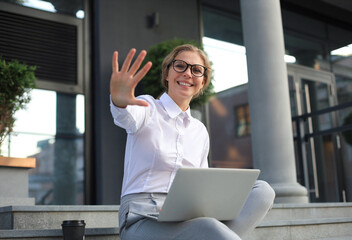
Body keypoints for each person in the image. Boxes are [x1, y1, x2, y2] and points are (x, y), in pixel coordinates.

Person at [109, 44, 275, 240]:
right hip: (142, 218)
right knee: (209, 227)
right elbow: (125, 115)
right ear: (167, 74)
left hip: (188, 215)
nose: (188, 73)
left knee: (263, 191)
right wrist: (119, 100)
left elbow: (201, 185)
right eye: (180, 66)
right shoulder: (147, 107)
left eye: (196, 70)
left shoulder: (200, 131)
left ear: (202, 82)